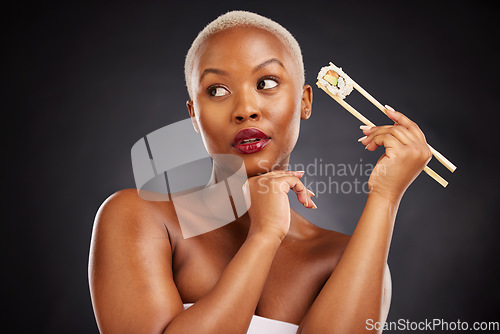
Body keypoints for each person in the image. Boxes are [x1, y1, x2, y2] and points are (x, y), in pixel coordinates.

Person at [88, 10, 432, 333]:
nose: (245, 110)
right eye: (217, 90)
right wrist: (263, 237)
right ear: (194, 115)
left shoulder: (343, 259)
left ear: (305, 102)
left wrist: (386, 197)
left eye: (266, 83)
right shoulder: (138, 217)